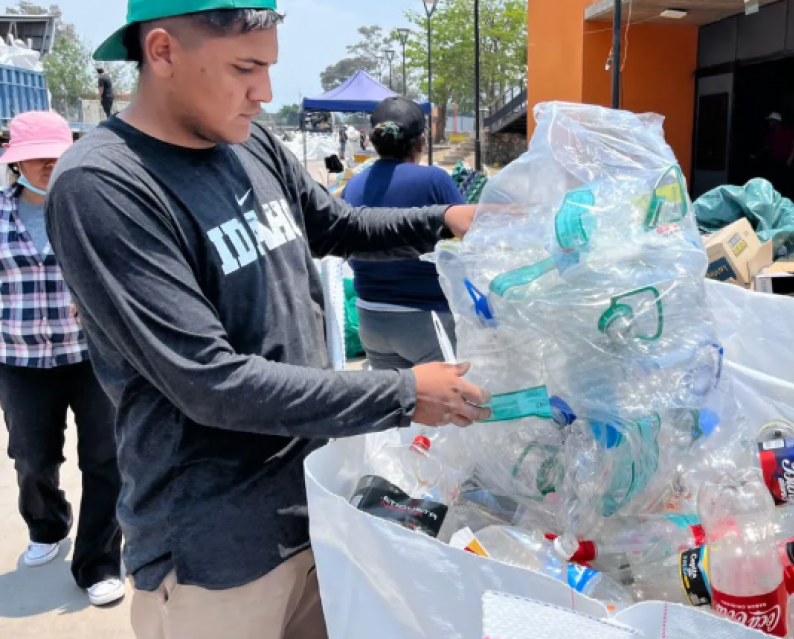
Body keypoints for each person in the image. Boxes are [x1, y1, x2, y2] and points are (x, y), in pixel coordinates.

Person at [46, 3, 489, 638]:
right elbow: (209, 381)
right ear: (164, 52)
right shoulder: (105, 185)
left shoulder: (247, 139)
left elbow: (337, 225)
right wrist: (405, 392)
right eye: (245, 67)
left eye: (270, 67)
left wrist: (443, 222)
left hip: (311, 503)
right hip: (215, 549)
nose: (266, 92)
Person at [0, 111, 125, 607]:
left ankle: (98, 561)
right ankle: (48, 525)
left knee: (105, 458)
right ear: (16, 162)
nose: (48, 163)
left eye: (56, 152)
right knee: (32, 458)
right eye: (36, 156)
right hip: (19, 357)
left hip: (91, 354)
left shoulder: (92, 206)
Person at [342, 97, 465, 370]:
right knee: (448, 408)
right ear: (421, 141)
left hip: (371, 318)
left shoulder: (354, 185)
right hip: (427, 319)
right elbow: (467, 241)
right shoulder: (435, 180)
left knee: (397, 407)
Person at [764, 111, 794, 194]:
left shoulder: (786, 132)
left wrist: (790, 159)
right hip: (775, 161)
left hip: (784, 161)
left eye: (771, 121)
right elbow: (769, 146)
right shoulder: (771, 133)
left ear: (776, 122)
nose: (769, 123)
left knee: (783, 184)